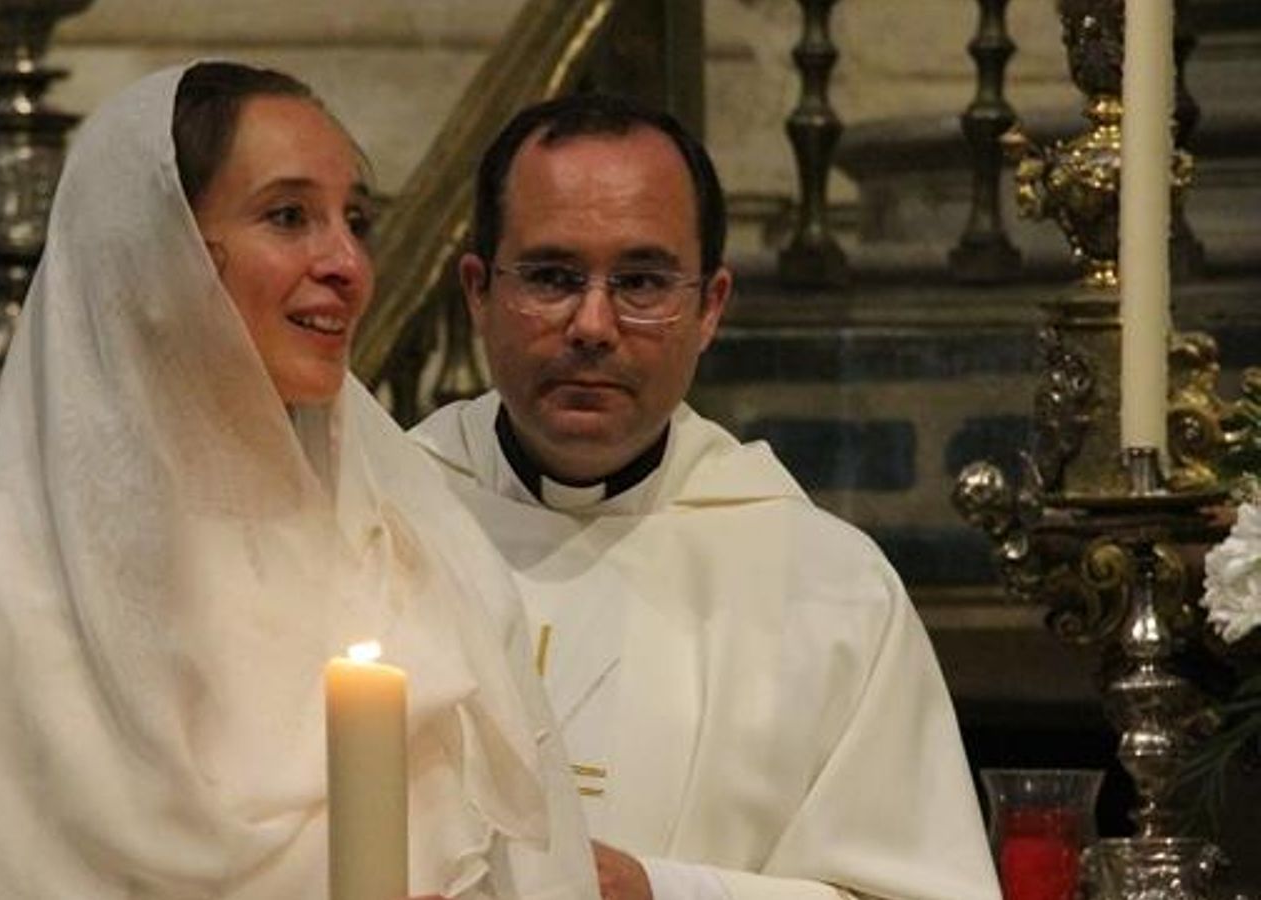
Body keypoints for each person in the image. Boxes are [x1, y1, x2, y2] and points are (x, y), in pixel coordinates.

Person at [0, 62, 598, 899]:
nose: (347, 262)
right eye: (289, 216)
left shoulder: (412, 544)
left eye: (355, 221)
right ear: (156, 257)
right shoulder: (9, 572)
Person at [412, 93, 1002, 900]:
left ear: (709, 307)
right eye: (551, 276)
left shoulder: (828, 590)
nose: (592, 323)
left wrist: (665, 892)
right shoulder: (374, 521)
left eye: (642, 282)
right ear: (478, 292)